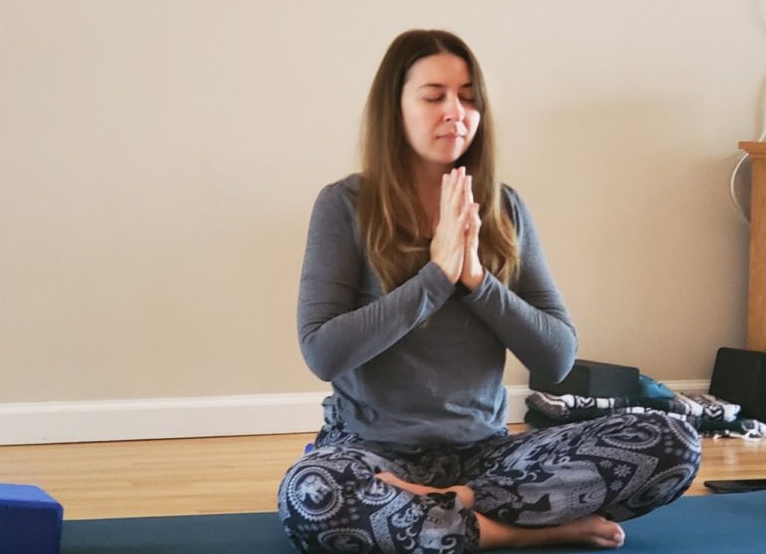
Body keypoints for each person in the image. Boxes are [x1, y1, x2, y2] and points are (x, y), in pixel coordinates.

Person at [278, 29, 700, 553]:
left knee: (672, 440)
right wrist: (436, 277)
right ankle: (526, 532)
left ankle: (453, 508)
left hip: (486, 459)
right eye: (434, 97)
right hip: (373, 453)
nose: (455, 112)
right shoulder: (345, 205)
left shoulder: (505, 209)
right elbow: (322, 352)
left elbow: (557, 357)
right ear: (395, 108)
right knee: (311, 494)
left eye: (469, 98)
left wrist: (476, 279)